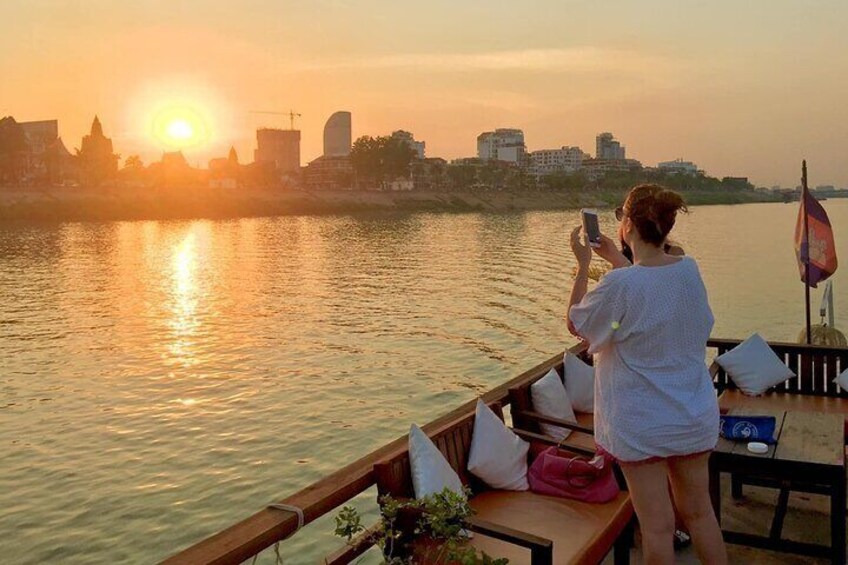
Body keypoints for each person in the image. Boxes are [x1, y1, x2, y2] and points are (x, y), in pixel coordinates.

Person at [566, 184, 727, 565]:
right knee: (701, 514)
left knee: (656, 527)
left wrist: (584, 265)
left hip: (642, 423)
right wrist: (615, 260)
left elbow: (578, 324)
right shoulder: (688, 270)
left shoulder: (621, 285)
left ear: (629, 227)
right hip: (692, 415)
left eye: (622, 215)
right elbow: (653, 291)